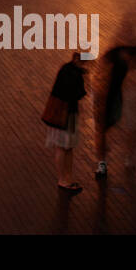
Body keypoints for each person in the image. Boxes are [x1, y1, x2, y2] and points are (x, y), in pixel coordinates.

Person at [95, 43, 136, 181]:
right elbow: (102, 80)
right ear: (134, 58)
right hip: (108, 96)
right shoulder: (115, 63)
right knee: (102, 129)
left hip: (115, 95)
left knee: (128, 126)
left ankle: (114, 160)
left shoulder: (123, 57)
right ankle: (103, 162)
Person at [44, 52, 88, 194]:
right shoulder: (74, 74)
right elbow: (78, 93)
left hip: (60, 113)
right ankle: (64, 180)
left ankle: (66, 178)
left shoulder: (66, 69)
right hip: (66, 115)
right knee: (64, 147)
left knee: (65, 147)